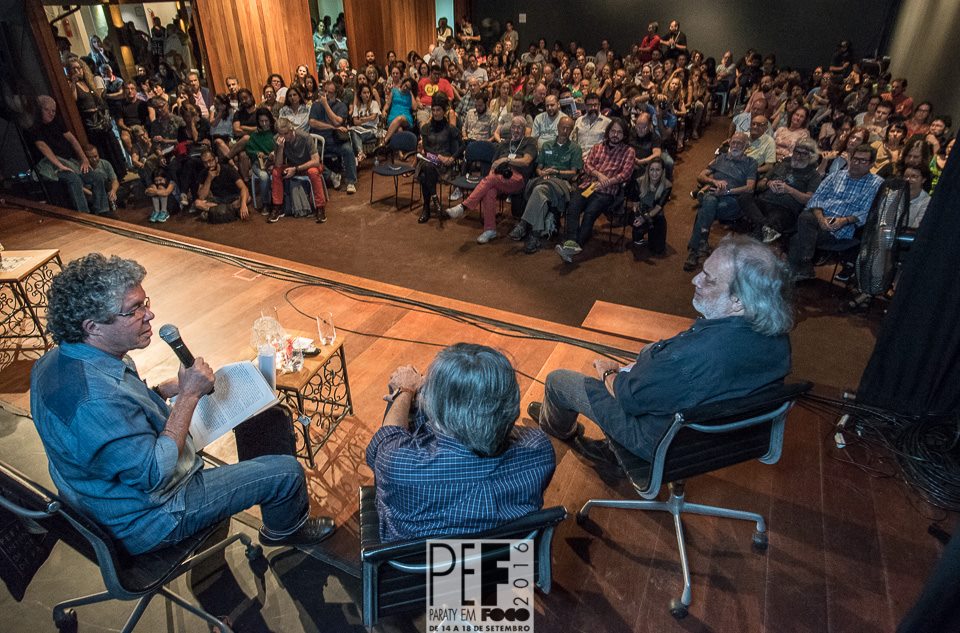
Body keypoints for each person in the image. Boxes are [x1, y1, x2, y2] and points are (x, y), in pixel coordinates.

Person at [30, 254, 335, 555]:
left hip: (103, 495)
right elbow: (153, 473)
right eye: (134, 310)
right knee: (287, 472)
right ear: (92, 326)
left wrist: (163, 390)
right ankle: (284, 531)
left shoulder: (52, 363)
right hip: (149, 518)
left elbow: (115, 419)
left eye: (145, 303)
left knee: (264, 420)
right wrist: (188, 397)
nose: (149, 315)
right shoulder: (94, 400)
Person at [529, 235, 792, 462]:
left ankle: (562, 432)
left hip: (663, 442)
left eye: (709, 279)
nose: (695, 280)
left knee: (558, 382)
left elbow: (629, 397)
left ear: (737, 301)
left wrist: (609, 373)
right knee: (645, 355)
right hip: (720, 443)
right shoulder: (779, 340)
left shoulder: (688, 358)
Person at [367, 343, 555, 542]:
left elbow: (386, 439)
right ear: (511, 405)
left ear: (438, 419)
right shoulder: (540, 451)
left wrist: (404, 392)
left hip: (422, 569)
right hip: (507, 564)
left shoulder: (399, 464)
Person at [788, 144, 883, 281]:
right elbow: (816, 199)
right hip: (818, 220)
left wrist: (843, 221)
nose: (857, 163)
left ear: (871, 164)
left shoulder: (876, 183)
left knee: (797, 238)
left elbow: (867, 212)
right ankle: (803, 267)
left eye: (863, 161)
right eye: (855, 159)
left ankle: (801, 269)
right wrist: (821, 219)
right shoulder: (836, 176)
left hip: (842, 227)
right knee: (806, 216)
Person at [445, 116, 538, 244]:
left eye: (519, 128)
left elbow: (526, 161)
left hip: (518, 179)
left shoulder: (529, 142)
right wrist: (492, 174)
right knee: (489, 190)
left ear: (524, 130)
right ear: (510, 129)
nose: (516, 130)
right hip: (498, 178)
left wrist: (506, 160)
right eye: (514, 127)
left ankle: (464, 206)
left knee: (490, 181)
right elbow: (493, 166)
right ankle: (490, 230)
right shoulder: (503, 144)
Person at [556, 118, 636, 262]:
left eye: (619, 132)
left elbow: (625, 174)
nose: (615, 135)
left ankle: (574, 246)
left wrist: (605, 182)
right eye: (613, 131)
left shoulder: (628, 151)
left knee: (590, 213)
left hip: (608, 191)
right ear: (608, 132)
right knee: (573, 207)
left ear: (624, 135)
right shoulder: (598, 147)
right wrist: (598, 175)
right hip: (588, 185)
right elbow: (587, 166)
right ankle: (571, 244)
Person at [684, 133, 757, 271]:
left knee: (705, 208)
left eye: (739, 143)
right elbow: (701, 175)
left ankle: (696, 247)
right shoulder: (721, 158)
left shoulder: (750, 163)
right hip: (713, 195)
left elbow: (749, 188)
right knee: (710, 201)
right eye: (733, 142)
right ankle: (700, 244)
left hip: (732, 200)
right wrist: (714, 181)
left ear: (746, 146)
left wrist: (727, 192)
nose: (735, 146)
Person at [510, 115, 582, 254]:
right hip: (544, 180)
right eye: (563, 127)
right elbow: (538, 168)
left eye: (568, 128)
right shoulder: (547, 145)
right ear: (558, 127)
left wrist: (557, 171)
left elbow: (573, 173)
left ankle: (524, 224)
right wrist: (541, 172)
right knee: (540, 191)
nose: (565, 130)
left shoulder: (575, 148)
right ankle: (535, 235)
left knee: (539, 190)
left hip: (563, 183)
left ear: (572, 130)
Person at [28, 96, 111, 215]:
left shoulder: (57, 121)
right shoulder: (34, 127)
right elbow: (43, 148)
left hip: (69, 161)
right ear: (39, 109)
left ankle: (102, 211)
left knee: (97, 177)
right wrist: (60, 165)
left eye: (53, 111)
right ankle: (84, 214)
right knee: (74, 179)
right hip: (51, 165)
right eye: (47, 110)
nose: (51, 113)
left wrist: (84, 159)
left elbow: (72, 140)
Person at [740, 137, 822, 244]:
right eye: (797, 151)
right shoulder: (783, 163)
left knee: (773, 220)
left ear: (811, 156)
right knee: (744, 197)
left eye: (804, 154)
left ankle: (759, 234)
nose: (798, 156)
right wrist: (769, 183)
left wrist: (789, 189)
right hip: (765, 201)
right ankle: (765, 226)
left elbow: (808, 199)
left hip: (785, 208)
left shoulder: (813, 174)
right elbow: (760, 184)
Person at [269, 118, 326, 223]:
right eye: (281, 134)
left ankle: (320, 207)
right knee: (276, 172)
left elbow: (316, 161)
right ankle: (277, 206)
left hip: (308, 165)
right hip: (293, 165)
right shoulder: (277, 139)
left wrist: (296, 169)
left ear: (291, 129)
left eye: (286, 133)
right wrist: (280, 148)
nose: (284, 137)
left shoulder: (305, 137)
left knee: (313, 172)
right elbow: (278, 164)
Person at [415, 95, 460, 223]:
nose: (435, 113)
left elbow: (462, 145)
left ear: (444, 111)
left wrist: (451, 158)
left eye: (438, 110)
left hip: (444, 165)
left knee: (424, 175)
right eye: (433, 110)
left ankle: (427, 208)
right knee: (427, 166)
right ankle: (434, 200)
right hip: (430, 160)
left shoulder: (450, 128)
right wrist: (436, 156)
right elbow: (426, 148)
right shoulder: (426, 128)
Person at [309, 80, 357, 194]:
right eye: (324, 91)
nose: (325, 95)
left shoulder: (341, 106)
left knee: (348, 149)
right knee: (309, 155)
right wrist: (331, 126)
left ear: (335, 94)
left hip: (336, 140)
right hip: (319, 142)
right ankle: (331, 175)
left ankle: (351, 182)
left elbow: (337, 122)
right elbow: (313, 122)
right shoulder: (315, 105)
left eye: (329, 92)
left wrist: (326, 105)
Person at [194, 148, 251, 223]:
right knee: (197, 203)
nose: (208, 164)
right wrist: (209, 179)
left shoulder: (228, 169)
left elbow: (244, 188)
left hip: (233, 199)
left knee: (248, 198)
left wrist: (243, 205)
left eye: (210, 161)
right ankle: (230, 211)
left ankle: (215, 212)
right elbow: (201, 197)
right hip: (217, 201)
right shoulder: (203, 173)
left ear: (216, 159)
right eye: (205, 163)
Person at [629, 156, 671, 255]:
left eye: (657, 170)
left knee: (658, 250)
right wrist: (637, 215)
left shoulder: (667, 185)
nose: (654, 173)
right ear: (648, 170)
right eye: (651, 169)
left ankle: (650, 231)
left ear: (663, 171)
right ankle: (638, 233)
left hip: (655, 214)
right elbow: (635, 203)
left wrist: (645, 218)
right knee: (637, 227)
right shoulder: (639, 181)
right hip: (640, 211)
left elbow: (658, 207)